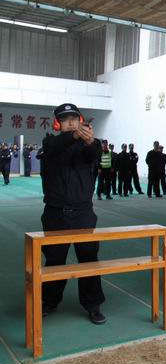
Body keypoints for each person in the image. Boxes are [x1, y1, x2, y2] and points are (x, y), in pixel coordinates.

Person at [40, 103, 106, 324]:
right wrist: (75, 136)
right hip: (55, 213)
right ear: (57, 124)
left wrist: (89, 141)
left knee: (88, 258)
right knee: (55, 260)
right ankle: (49, 301)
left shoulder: (88, 146)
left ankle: (93, 304)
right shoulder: (51, 143)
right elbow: (54, 147)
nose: (70, 123)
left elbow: (95, 152)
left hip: (83, 214)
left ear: (80, 120)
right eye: (65, 120)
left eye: (74, 119)